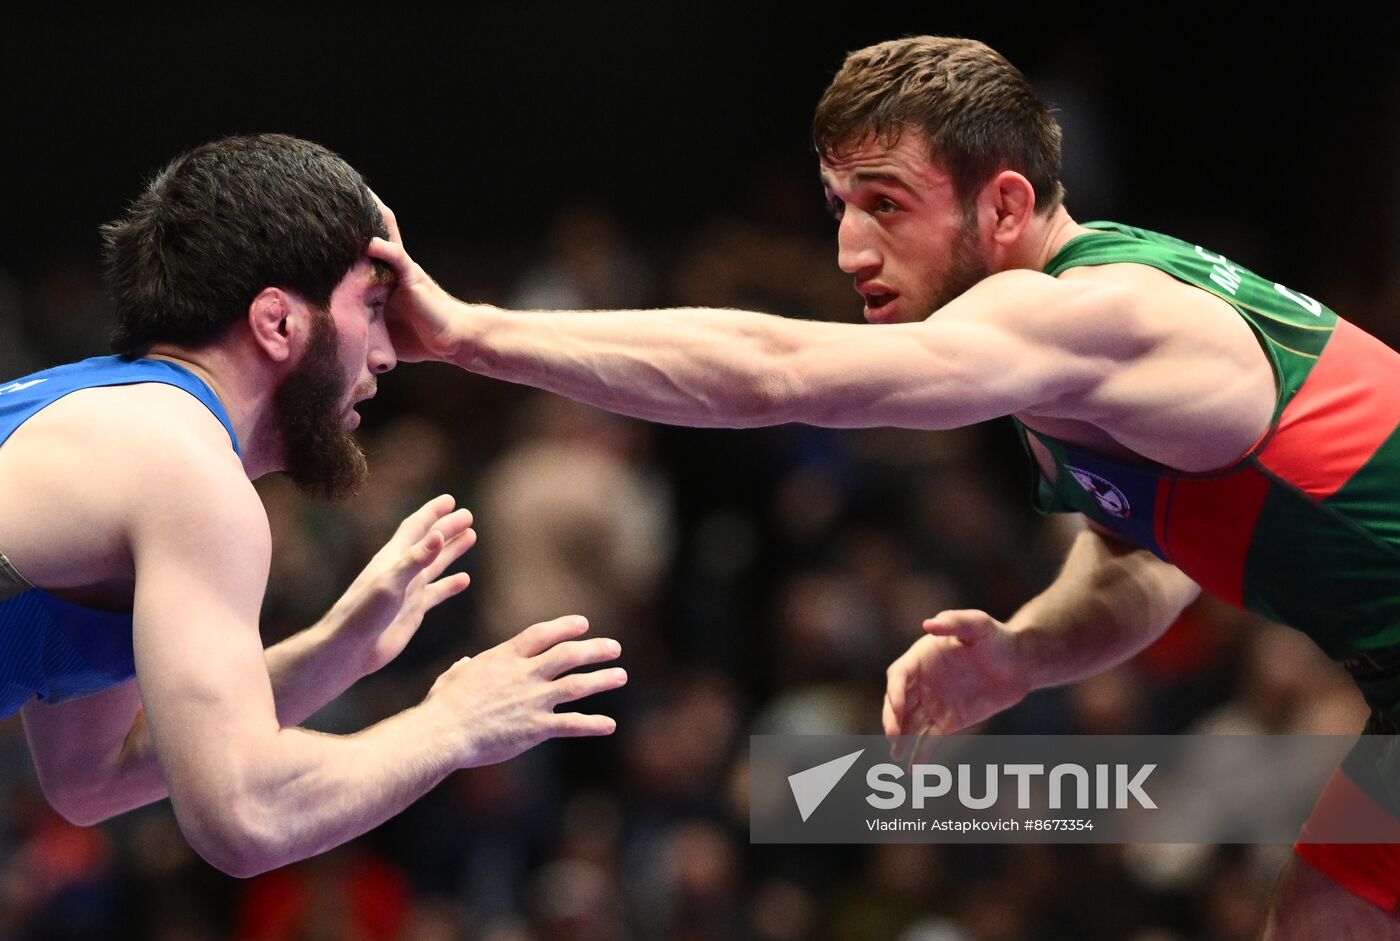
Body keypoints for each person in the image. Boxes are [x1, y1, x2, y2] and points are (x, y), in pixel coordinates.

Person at [367, 36, 1400, 937]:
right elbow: (1146, 561)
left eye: (885, 204)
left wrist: (470, 334)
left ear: (1002, 203)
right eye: (837, 205)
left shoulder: (1099, 312)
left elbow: (773, 372)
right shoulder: (1071, 368)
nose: (849, 247)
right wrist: (1023, 652)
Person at [0, 134, 627, 877]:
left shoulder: (98, 420)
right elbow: (245, 816)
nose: (390, 355)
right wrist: (454, 724)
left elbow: (91, 780)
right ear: (278, 322)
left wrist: (336, 652)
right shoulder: (185, 473)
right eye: (372, 306)